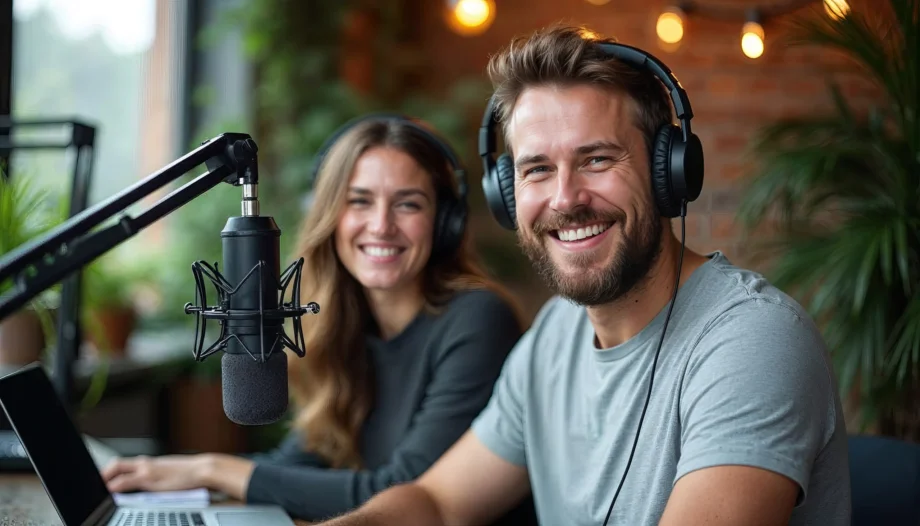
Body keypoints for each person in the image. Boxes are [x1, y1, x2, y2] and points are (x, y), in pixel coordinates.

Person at [316, 25, 852, 526]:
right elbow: (435, 501)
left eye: (597, 159)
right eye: (537, 169)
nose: (565, 198)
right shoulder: (554, 335)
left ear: (668, 172)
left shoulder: (752, 341)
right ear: (507, 195)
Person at [101, 114, 534, 523]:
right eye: (359, 201)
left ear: (444, 222)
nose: (381, 225)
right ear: (330, 216)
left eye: (408, 204)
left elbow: (404, 491)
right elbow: (299, 460)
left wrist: (212, 468)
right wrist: (177, 474)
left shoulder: (478, 320)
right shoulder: (343, 322)